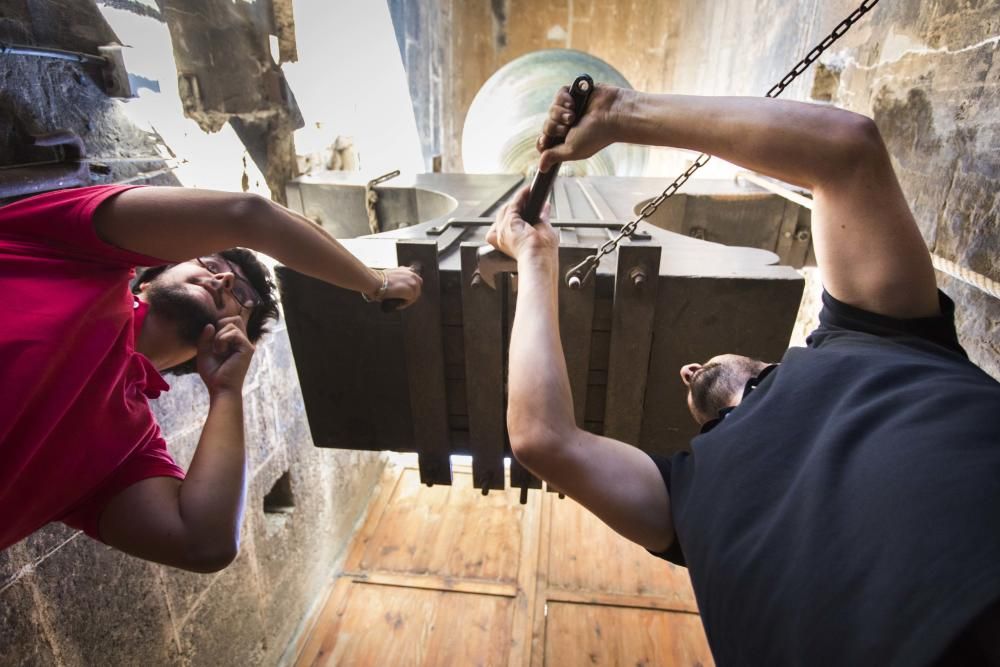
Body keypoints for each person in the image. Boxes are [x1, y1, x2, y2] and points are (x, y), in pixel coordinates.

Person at [488, 84, 1000, 666]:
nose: (688, 373)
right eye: (691, 381)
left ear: (773, 361)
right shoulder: (683, 500)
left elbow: (846, 151)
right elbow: (542, 439)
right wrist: (535, 258)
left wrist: (620, 115)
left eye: (688, 371)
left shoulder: (868, 335)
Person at [0, 184, 421, 572]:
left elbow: (205, 543)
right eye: (213, 262)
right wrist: (377, 282)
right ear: (151, 274)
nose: (223, 278)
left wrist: (226, 393)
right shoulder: (73, 257)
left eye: (242, 298)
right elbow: (249, 213)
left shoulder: (127, 450)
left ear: (230, 337)